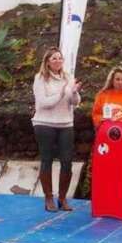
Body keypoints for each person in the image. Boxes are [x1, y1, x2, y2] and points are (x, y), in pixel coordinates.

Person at [32, 47, 82, 212]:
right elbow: (44, 103)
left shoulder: (68, 77)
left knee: (67, 161)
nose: (57, 61)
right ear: (47, 62)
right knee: (47, 160)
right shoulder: (40, 78)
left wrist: (74, 93)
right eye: (54, 58)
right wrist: (61, 93)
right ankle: (48, 198)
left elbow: (75, 102)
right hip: (44, 123)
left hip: (65, 123)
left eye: (60, 58)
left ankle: (62, 198)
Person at [91, 67, 122, 133]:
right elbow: (95, 115)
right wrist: (101, 119)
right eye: (117, 79)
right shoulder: (102, 95)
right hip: (104, 133)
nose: (120, 82)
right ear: (112, 80)